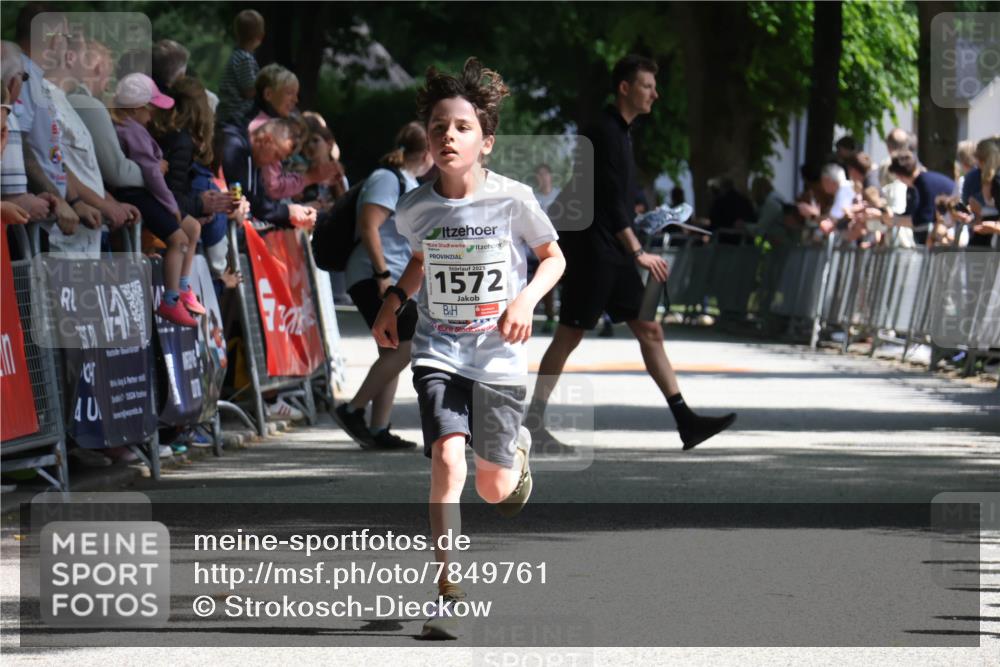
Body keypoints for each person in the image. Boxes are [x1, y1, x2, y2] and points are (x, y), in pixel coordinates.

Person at [370, 58, 565, 639]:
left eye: (460, 127)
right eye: (438, 128)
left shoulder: (513, 199)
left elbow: (554, 258)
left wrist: (525, 301)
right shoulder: (414, 207)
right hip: (440, 352)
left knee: (495, 488)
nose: (447, 136)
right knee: (447, 463)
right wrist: (393, 301)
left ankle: (517, 452)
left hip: (499, 354)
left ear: (486, 141)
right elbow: (423, 261)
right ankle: (449, 590)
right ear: (427, 140)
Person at [529, 54, 736, 452]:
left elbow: (618, 201)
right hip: (592, 252)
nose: (655, 94)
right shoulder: (601, 132)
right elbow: (607, 201)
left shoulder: (622, 132)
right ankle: (533, 422)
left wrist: (641, 226)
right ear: (625, 88)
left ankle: (685, 421)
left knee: (650, 330)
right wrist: (638, 251)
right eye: (647, 86)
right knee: (569, 334)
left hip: (611, 251)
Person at [333, 122, 434, 450]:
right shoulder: (386, 178)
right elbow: (369, 226)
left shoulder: (406, 180)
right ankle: (352, 410)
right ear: (428, 152)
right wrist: (382, 275)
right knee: (406, 345)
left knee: (391, 348)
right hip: (375, 275)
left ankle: (379, 428)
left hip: (389, 276)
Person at [112, 73, 205, 327]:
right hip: (142, 195)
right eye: (149, 109)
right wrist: (171, 205)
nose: (152, 115)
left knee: (191, 229)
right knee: (179, 239)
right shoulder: (133, 131)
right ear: (136, 108)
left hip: (145, 193)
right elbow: (152, 172)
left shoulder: (127, 128)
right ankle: (171, 299)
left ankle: (182, 288)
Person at [151, 75, 238, 274]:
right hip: (161, 231)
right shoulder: (182, 142)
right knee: (191, 230)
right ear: (201, 110)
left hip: (164, 221)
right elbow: (169, 195)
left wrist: (199, 205)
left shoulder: (170, 134)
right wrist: (200, 204)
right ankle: (180, 291)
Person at [217, 116, 317, 229]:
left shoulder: (255, 162)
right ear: (266, 140)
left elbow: (260, 203)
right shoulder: (235, 145)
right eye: (276, 155)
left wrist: (292, 216)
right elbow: (249, 199)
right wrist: (288, 212)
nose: (276, 162)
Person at [887, 149, 956, 245]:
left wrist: (891, 220)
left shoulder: (924, 184)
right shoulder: (917, 185)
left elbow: (923, 219)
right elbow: (912, 214)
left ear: (900, 175)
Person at [217, 9, 265, 128]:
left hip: (229, 113)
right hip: (236, 115)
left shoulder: (237, 55)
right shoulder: (245, 59)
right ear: (260, 36)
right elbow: (249, 91)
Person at [531, 163, 560, 333]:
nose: (542, 178)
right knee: (545, 284)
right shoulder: (533, 197)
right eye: (539, 175)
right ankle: (549, 317)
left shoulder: (560, 196)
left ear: (550, 176)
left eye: (545, 174)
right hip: (540, 248)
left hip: (560, 246)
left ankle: (562, 318)